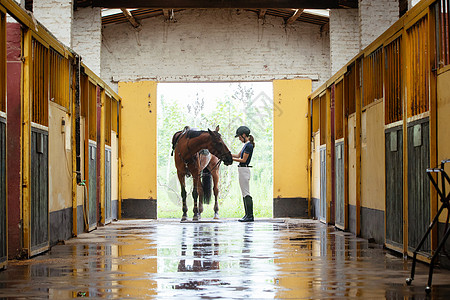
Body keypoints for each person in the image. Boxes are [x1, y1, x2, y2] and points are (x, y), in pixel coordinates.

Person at [232, 126, 255, 222]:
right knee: (244, 193)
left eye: (240, 137)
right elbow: (237, 155)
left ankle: (250, 216)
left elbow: (243, 160)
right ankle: (247, 215)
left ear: (244, 135)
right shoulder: (246, 145)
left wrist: (230, 159)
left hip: (244, 170)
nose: (239, 139)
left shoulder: (249, 145)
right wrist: (226, 154)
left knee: (246, 193)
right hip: (242, 170)